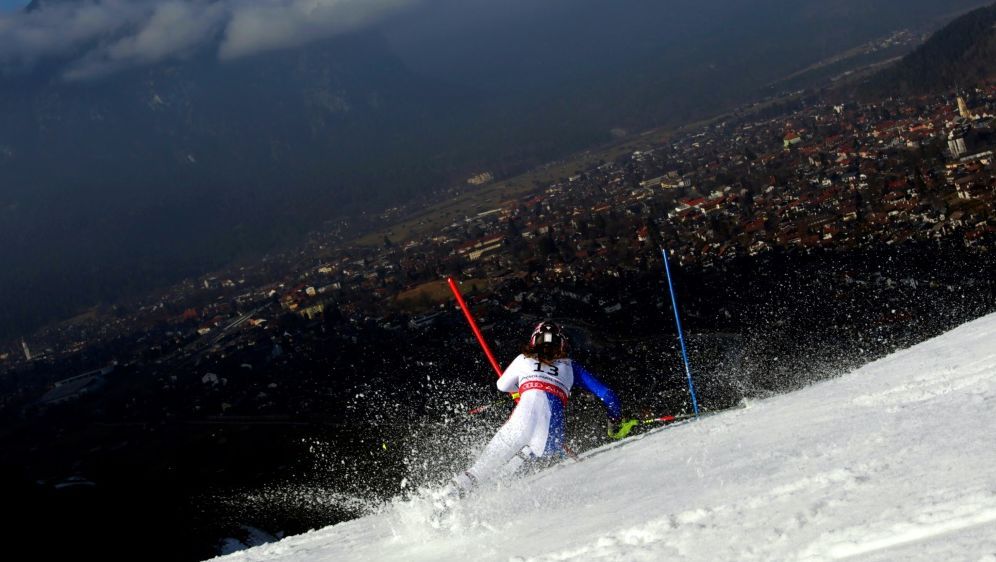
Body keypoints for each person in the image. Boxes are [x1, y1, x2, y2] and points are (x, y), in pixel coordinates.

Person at [448, 321, 633, 495]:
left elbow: (502, 386)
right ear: (562, 345)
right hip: (551, 438)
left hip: (519, 424)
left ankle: (443, 501)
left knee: (478, 472)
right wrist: (614, 422)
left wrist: (522, 389)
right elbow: (608, 395)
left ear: (533, 341)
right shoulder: (571, 366)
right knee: (506, 480)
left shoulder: (523, 359)